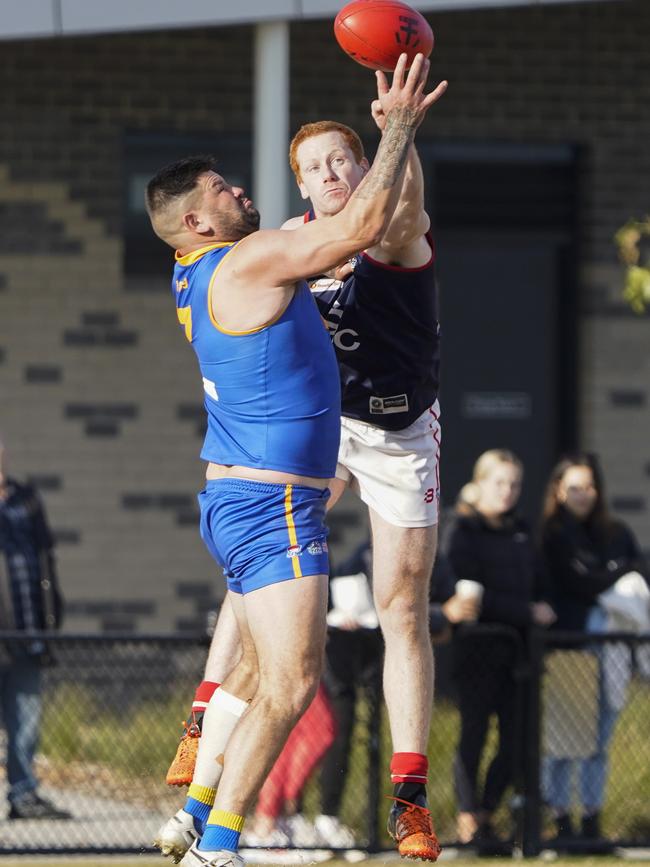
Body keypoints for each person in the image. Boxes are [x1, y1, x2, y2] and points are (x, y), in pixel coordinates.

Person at [148, 54, 447, 867]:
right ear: (199, 223)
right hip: (279, 489)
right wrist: (401, 126)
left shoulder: (210, 268)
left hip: (367, 435)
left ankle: (210, 792)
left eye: (342, 159)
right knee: (290, 679)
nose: (239, 190)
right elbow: (343, 232)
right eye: (222, 189)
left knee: (363, 620)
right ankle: (217, 831)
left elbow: (391, 209)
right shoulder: (266, 255)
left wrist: (395, 141)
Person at [442, 450, 556, 845]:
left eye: (514, 484)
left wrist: (537, 610)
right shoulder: (461, 528)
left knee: (516, 740)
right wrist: (525, 611)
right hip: (477, 649)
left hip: (519, 653)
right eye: (500, 482)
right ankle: (467, 816)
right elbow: (469, 595)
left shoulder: (521, 529)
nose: (507, 492)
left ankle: (487, 814)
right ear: (480, 483)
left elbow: (539, 583)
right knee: (473, 734)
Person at [540, 453, 649, 842]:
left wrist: (604, 574)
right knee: (566, 739)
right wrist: (615, 572)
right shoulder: (552, 533)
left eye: (588, 487)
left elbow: (636, 566)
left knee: (598, 740)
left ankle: (590, 819)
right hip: (570, 645)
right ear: (558, 490)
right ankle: (559, 820)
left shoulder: (615, 531)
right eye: (574, 487)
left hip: (610, 650)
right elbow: (580, 582)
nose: (582, 495)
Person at [0, 440, 70, 820]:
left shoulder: (25, 499)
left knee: (25, 720)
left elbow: (45, 557)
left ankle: (23, 795)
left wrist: (51, 615)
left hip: (28, 632)